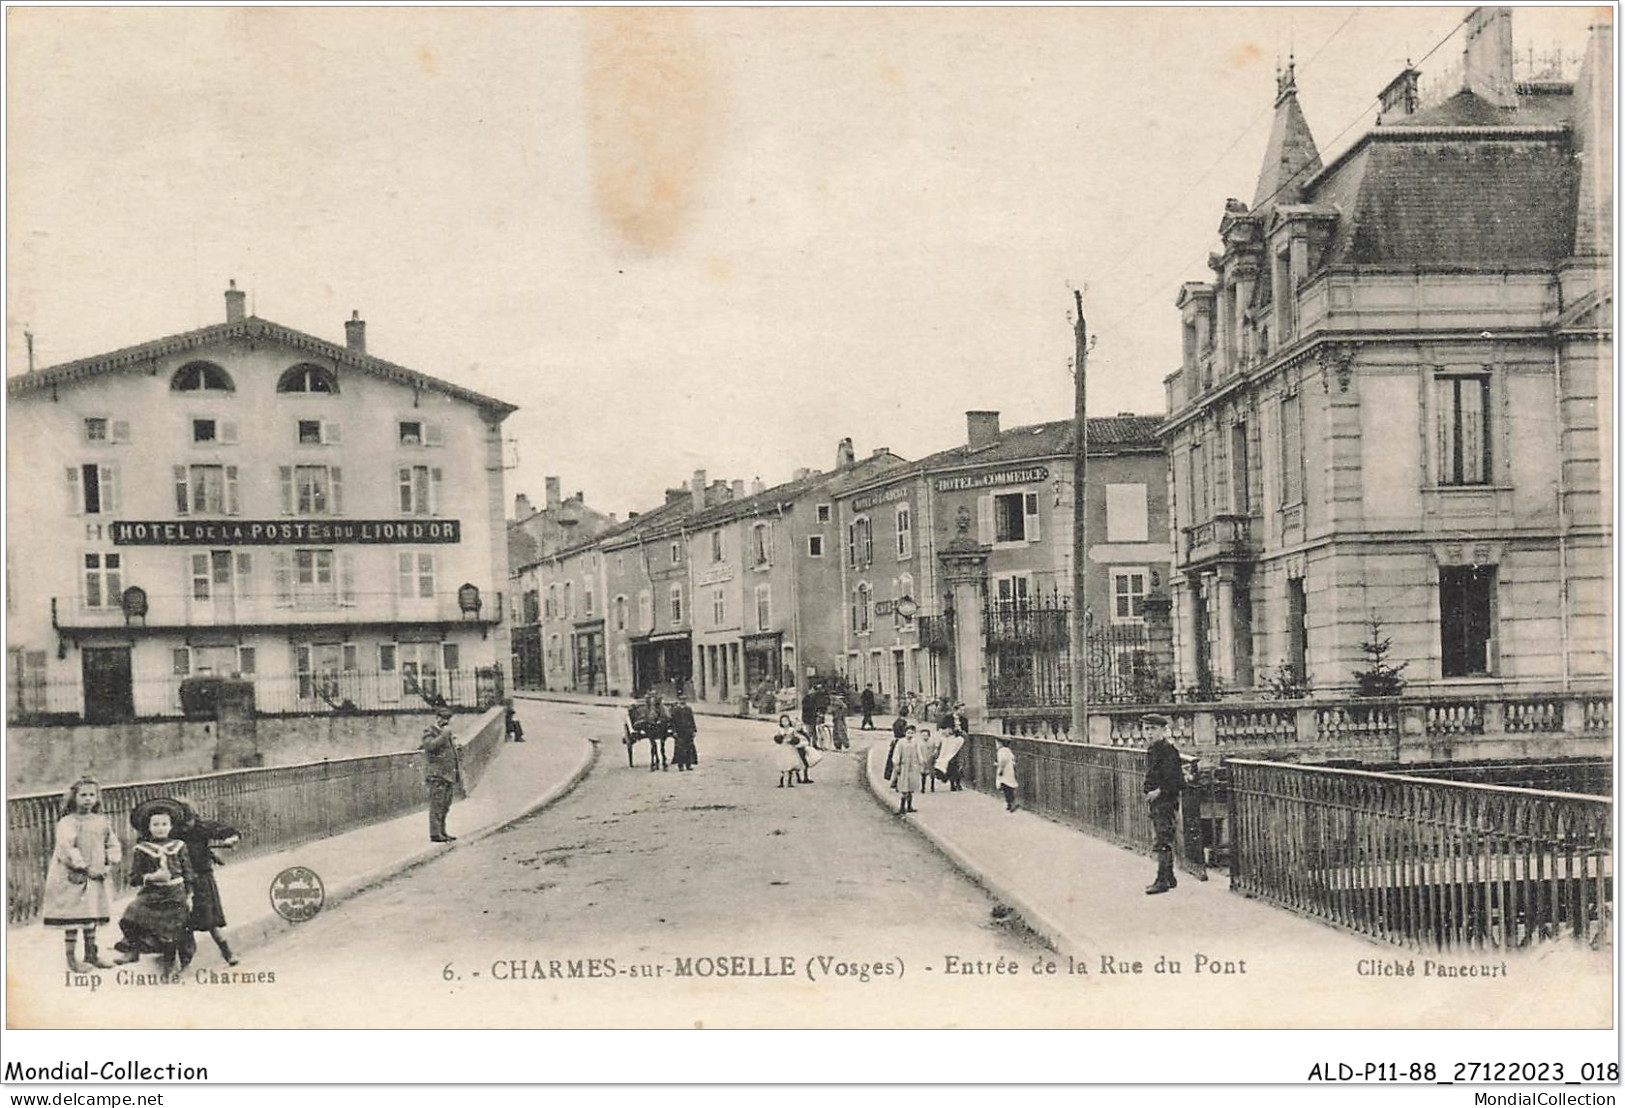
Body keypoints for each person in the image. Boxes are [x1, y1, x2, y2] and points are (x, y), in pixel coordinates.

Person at [41, 776, 121, 971]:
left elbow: (112, 843)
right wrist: (85, 867)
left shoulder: (101, 821)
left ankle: (91, 954)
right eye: (83, 795)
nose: (88, 799)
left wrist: (109, 862)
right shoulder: (67, 822)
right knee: (74, 915)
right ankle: (71, 959)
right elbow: (67, 848)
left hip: (96, 875)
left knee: (91, 912)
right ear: (73, 798)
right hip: (73, 875)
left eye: (92, 795)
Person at [113, 798, 193, 970]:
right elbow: (134, 878)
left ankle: (171, 966)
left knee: (171, 931)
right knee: (131, 914)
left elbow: (188, 872)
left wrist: (189, 893)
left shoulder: (179, 846)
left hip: (175, 894)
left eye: (164, 824)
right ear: (148, 827)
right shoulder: (142, 849)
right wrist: (151, 877)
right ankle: (133, 950)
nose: (160, 828)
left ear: (171, 826)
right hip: (151, 894)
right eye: (155, 824)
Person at [173, 797, 243, 967]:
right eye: (181, 823)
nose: (185, 826)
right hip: (181, 882)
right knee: (183, 923)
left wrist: (231, 838)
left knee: (211, 921)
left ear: (194, 817)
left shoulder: (201, 827)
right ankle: (185, 962)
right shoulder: (172, 832)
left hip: (202, 879)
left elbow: (228, 831)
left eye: (188, 821)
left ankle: (227, 952)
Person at [1142, 713, 1184, 895]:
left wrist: (1158, 791)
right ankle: (1169, 877)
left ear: (1163, 731)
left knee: (1162, 839)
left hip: (1165, 801)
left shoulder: (1168, 750)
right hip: (1157, 801)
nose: (1149, 733)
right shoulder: (1154, 749)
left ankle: (1162, 881)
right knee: (1161, 836)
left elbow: (1176, 780)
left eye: (1153, 729)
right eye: (1146, 729)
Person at [420, 704, 462, 843]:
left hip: (448, 775)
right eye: (443, 718)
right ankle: (435, 833)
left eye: (447, 719)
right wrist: (444, 735)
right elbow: (430, 747)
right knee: (437, 804)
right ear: (437, 718)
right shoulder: (430, 731)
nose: (445, 721)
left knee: (445, 805)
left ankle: (442, 831)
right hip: (437, 775)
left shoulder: (446, 733)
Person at [890, 726, 922, 815]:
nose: (910, 735)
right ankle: (902, 807)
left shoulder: (915, 743)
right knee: (904, 786)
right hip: (904, 766)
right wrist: (896, 764)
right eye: (908, 732)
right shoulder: (901, 742)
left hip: (913, 767)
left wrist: (921, 762)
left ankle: (909, 806)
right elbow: (896, 754)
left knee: (911, 786)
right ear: (905, 733)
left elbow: (918, 753)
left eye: (912, 733)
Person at [669, 693, 699, 771]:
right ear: (679, 700)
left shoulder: (688, 709)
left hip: (688, 731)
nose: (683, 701)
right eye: (681, 699)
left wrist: (694, 730)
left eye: (684, 699)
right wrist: (674, 731)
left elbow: (692, 719)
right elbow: (673, 722)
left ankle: (688, 765)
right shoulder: (675, 710)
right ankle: (680, 765)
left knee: (689, 748)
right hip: (679, 732)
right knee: (680, 749)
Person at [774, 716, 802, 788]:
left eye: (786, 720)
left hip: (790, 748)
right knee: (783, 763)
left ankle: (789, 781)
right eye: (783, 721)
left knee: (790, 763)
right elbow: (777, 738)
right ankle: (782, 781)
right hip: (783, 748)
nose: (785, 722)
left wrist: (793, 740)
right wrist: (779, 738)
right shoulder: (780, 730)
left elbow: (797, 737)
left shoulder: (792, 730)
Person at [995, 737, 1019, 812]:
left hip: (1005, 771)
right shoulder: (1008, 750)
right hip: (1009, 770)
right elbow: (1012, 759)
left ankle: (1011, 804)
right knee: (1009, 787)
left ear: (1000, 743)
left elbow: (1003, 761)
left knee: (1006, 788)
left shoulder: (1001, 751)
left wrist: (1001, 770)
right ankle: (1010, 803)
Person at [917, 728, 941, 793]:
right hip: (923, 759)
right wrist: (921, 759)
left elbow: (935, 749)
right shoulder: (920, 743)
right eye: (923, 735)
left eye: (926, 735)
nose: (924, 737)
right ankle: (923, 788)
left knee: (932, 774)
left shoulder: (932, 742)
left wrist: (934, 755)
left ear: (929, 735)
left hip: (930, 759)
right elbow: (918, 752)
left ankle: (932, 787)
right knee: (923, 774)